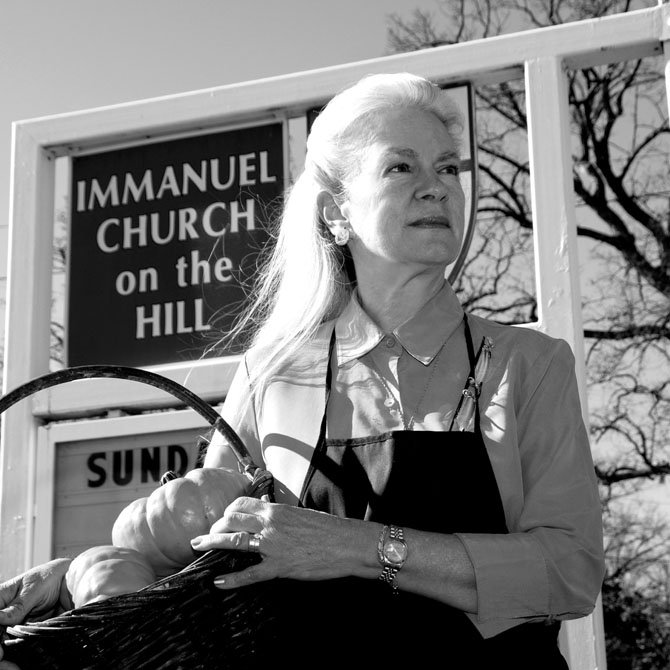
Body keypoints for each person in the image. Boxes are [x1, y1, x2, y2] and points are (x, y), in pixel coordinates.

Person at [0, 72, 604, 669]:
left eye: (448, 167)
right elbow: (207, 557)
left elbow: (571, 572)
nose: (437, 187)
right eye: (402, 167)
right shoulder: (273, 373)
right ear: (336, 213)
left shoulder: (529, 364)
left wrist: (364, 548)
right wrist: (81, 573)